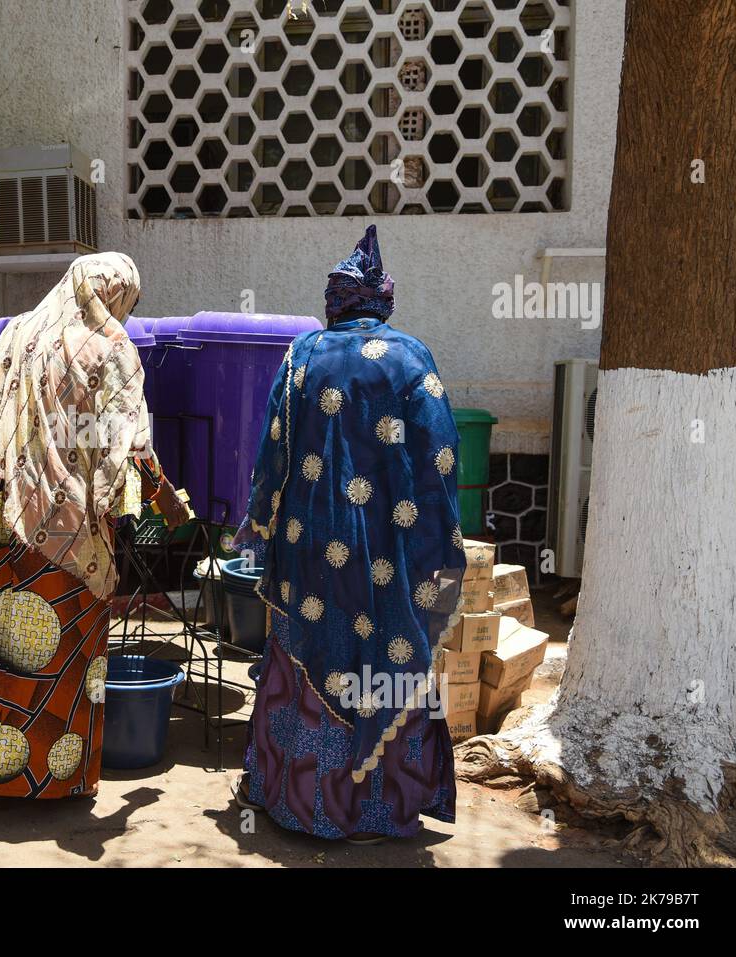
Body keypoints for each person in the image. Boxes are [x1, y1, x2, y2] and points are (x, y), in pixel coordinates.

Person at [231, 225, 465, 842]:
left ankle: (302, 805)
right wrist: (440, 542)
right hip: (394, 552)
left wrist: (258, 525)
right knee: (390, 662)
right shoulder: (414, 359)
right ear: (383, 300)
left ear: (336, 300)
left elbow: (272, 458)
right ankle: (384, 811)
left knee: (308, 658)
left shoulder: (301, 356)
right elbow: (441, 458)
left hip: (310, 553)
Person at [0, 252, 189, 798]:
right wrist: (163, 504)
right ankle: (51, 785)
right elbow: (129, 448)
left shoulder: (20, 333)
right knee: (61, 654)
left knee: (2, 647)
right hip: (71, 531)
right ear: (116, 294)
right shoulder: (112, 349)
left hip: (6, 522)